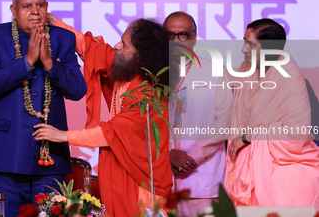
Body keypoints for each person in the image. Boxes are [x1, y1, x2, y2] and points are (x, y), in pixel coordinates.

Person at [33, 17, 173, 216]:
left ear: (139, 57)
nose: (116, 46)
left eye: (124, 45)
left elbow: (110, 132)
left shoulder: (149, 94)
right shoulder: (123, 64)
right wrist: (56, 24)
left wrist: (62, 136)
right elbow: (89, 47)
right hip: (117, 167)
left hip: (142, 180)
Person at [0, 0, 87, 217]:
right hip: (4, 157)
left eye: (40, 5)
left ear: (47, 7)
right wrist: (27, 61)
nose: (35, 11)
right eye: (27, 6)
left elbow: (78, 90)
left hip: (50, 156)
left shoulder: (63, 39)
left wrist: (49, 62)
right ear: (13, 10)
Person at [224, 18, 319, 209]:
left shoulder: (287, 73)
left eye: (250, 45)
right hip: (245, 166)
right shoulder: (248, 69)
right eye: (244, 42)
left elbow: (297, 133)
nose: (243, 50)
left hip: (282, 169)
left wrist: (247, 137)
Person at [163, 11, 233, 216]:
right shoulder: (154, 75)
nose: (176, 40)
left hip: (205, 177)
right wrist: (169, 153)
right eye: (170, 35)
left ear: (194, 38)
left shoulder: (216, 71)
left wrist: (192, 157)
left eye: (183, 34)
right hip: (164, 180)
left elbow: (226, 120)